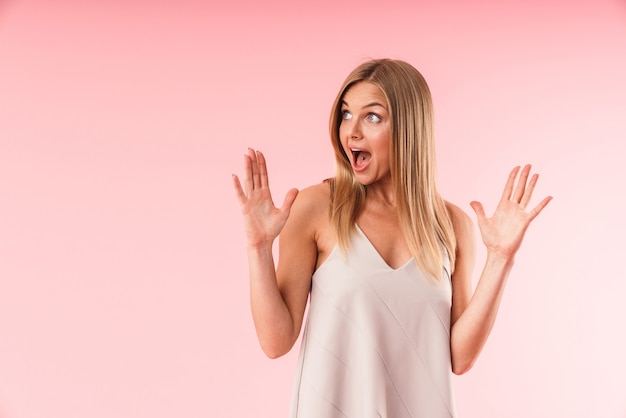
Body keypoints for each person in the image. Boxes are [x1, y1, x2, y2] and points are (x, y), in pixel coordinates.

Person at [232, 59, 552, 418]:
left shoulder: (452, 225)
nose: (351, 132)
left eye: (372, 117)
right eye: (345, 114)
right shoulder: (317, 207)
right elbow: (275, 342)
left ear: (409, 128)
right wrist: (258, 247)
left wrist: (500, 259)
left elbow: (460, 358)